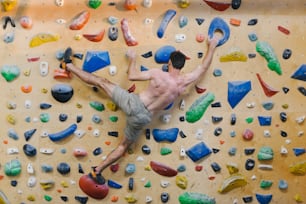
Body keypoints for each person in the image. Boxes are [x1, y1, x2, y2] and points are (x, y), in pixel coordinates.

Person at [61, 35, 219, 184]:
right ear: (182, 66)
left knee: (101, 82)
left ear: (169, 62)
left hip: (133, 103)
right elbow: (203, 68)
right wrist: (211, 46)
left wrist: (133, 59)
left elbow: (132, 76)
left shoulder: (158, 73)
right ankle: (97, 170)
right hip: (143, 118)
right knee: (123, 146)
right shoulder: (183, 82)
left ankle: (67, 65)